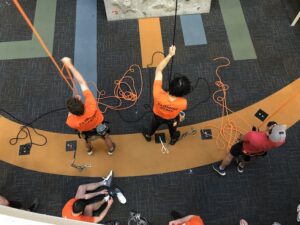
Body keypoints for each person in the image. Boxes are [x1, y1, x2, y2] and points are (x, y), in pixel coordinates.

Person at [61, 57, 116, 156]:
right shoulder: (91, 104)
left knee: (86, 140)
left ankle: (89, 150)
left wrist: (74, 104)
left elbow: (70, 114)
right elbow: (82, 82)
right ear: (82, 103)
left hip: (87, 132)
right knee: (106, 137)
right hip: (99, 126)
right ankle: (111, 149)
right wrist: (70, 66)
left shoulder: (72, 121)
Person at [142, 45, 191, 145]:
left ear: (171, 85)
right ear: (183, 93)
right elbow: (180, 111)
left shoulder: (157, 93)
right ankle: (173, 139)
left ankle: (148, 135)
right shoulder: (183, 102)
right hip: (172, 119)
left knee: (153, 126)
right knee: (173, 129)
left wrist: (170, 55)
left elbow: (158, 70)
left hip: (157, 116)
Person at [213, 121, 287, 176]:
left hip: (244, 148)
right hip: (257, 152)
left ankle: (221, 168)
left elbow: (242, 138)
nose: (273, 126)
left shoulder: (253, 135)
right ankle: (241, 166)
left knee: (230, 155)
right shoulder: (280, 141)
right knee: (247, 158)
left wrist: (239, 138)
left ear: (268, 131)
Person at [62, 170, 126, 224]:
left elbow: (85, 197)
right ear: (81, 212)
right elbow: (99, 218)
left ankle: (105, 182)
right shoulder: (82, 220)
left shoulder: (70, 203)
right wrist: (109, 205)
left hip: (70, 220)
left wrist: (99, 192)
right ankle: (105, 199)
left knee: (81, 188)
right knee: (89, 207)